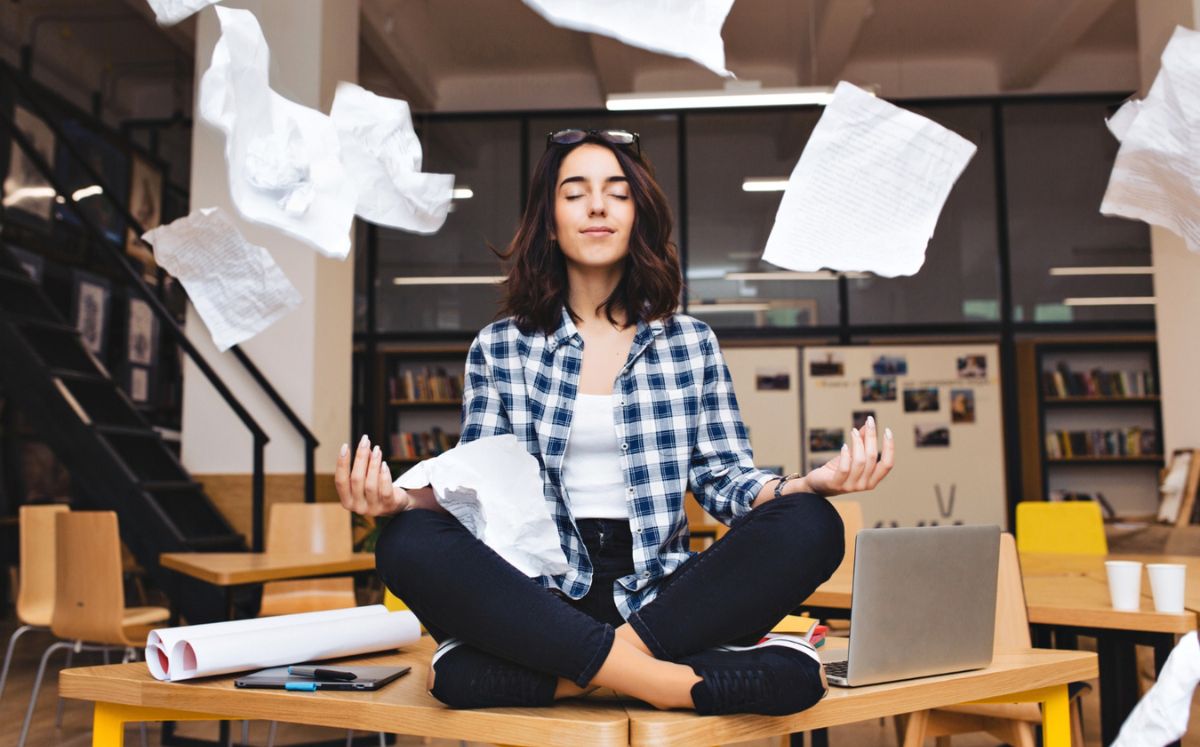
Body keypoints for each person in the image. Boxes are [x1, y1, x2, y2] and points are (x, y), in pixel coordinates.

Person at [335, 128, 896, 716]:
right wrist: (397, 503)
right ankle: (668, 684)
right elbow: (483, 493)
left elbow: (724, 480)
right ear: (550, 222)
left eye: (616, 193)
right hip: (539, 595)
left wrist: (810, 485)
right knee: (405, 543)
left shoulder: (689, 343)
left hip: (663, 599)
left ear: (638, 216)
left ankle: (582, 671)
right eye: (575, 192)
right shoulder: (500, 346)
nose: (597, 206)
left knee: (812, 523)